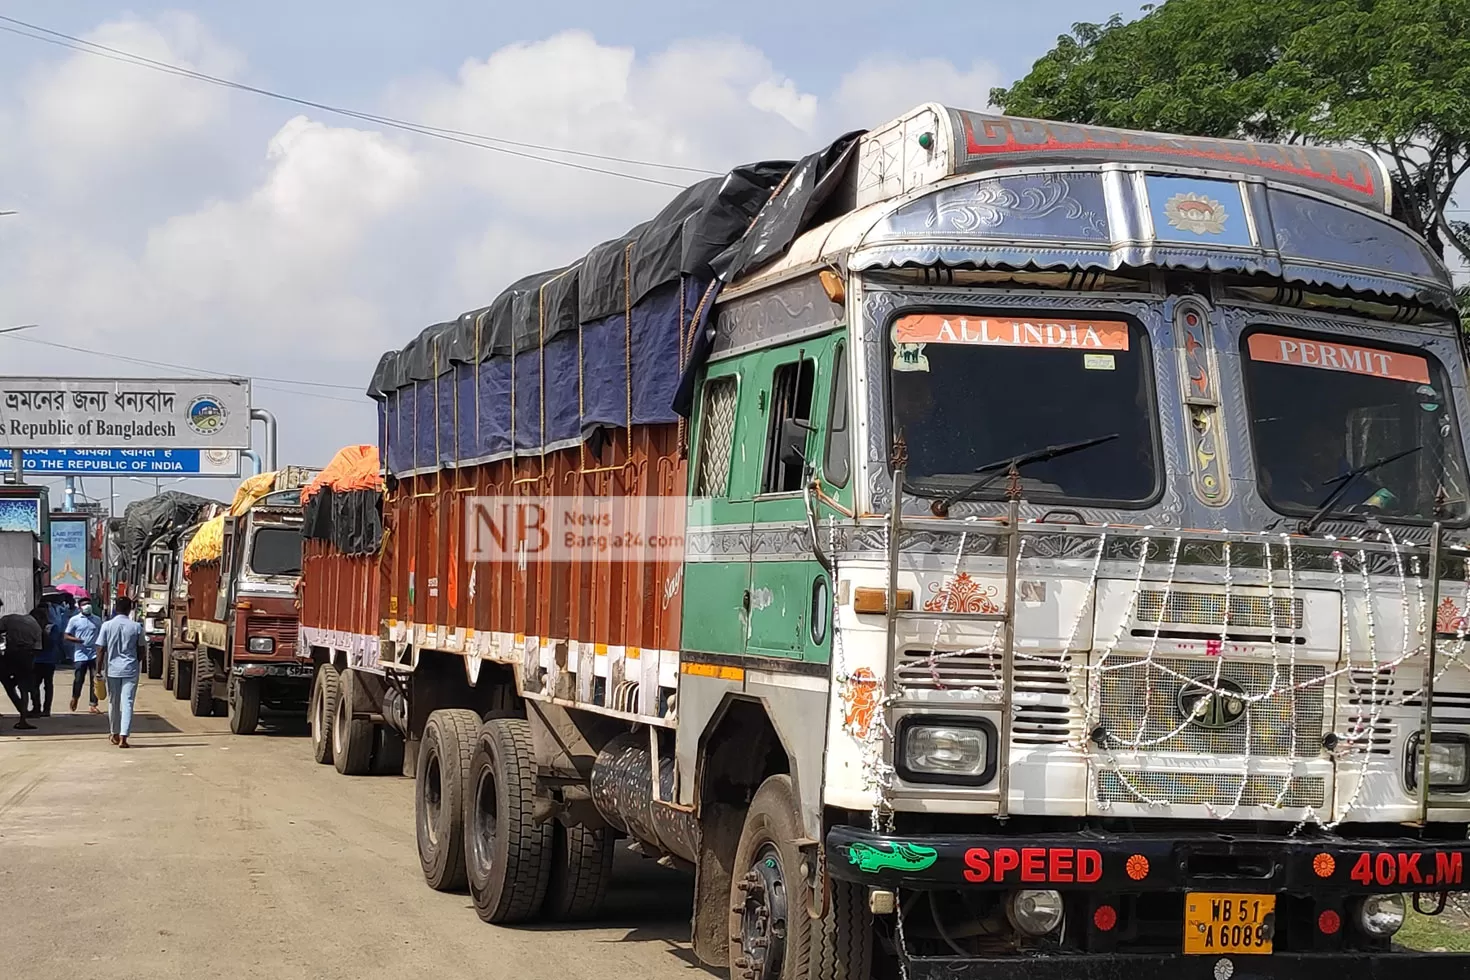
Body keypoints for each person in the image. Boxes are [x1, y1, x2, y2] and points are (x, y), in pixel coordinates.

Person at [95, 596, 145, 748]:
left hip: (113, 670)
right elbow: (141, 650)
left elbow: (101, 649)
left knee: (113, 702)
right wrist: (136, 662)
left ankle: (114, 733)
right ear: (130, 609)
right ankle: (124, 737)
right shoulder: (136, 627)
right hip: (130, 669)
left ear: (115, 608)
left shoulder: (107, 625)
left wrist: (98, 670)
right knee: (128, 702)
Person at [0, 598, 43, 730]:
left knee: (7, 684)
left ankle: (20, 708)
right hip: (26, 656)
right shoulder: (36, 627)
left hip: (11, 654)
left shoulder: (9, 618)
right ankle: (23, 717)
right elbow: (37, 649)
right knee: (24, 688)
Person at [29, 597, 69, 717]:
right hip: (43, 660)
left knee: (41, 685)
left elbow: (51, 643)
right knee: (42, 685)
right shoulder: (51, 628)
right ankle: (41, 708)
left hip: (41, 660)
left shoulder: (43, 628)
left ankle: (41, 708)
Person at [65, 598, 103, 714]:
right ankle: (75, 697)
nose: (87, 606)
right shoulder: (74, 620)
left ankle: (93, 704)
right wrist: (76, 640)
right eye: (84, 604)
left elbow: (102, 635)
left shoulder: (97, 620)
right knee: (78, 679)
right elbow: (66, 635)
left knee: (94, 680)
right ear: (79, 607)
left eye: (88, 604)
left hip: (94, 654)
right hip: (80, 654)